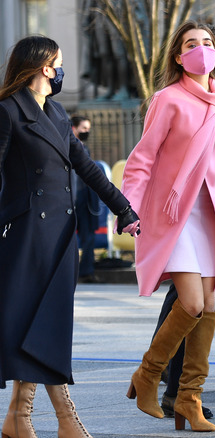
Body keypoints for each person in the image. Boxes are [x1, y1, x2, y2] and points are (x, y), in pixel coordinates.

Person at [0, 35, 139, 437]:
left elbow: (89, 170)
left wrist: (124, 210)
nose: (61, 70)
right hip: (26, 234)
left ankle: (19, 417)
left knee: (47, 324)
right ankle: (62, 419)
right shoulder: (7, 112)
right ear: (44, 66)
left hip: (61, 235)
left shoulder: (59, 114)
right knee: (35, 323)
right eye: (58, 63)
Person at [121, 21, 215, 432]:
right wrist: (128, 205)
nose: (201, 49)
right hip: (174, 213)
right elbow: (142, 158)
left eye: (207, 42)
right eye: (191, 44)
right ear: (178, 55)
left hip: (209, 212)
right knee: (192, 303)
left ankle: (189, 399)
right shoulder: (167, 99)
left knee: (210, 307)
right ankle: (148, 377)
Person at [70, 115, 101, 283]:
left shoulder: (85, 149)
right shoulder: (66, 146)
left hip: (85, 198)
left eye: (88, 129)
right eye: (84, 129)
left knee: (88, 235)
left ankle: (86, 271)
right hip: (71, 197)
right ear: (74, 128)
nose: (86, 132)